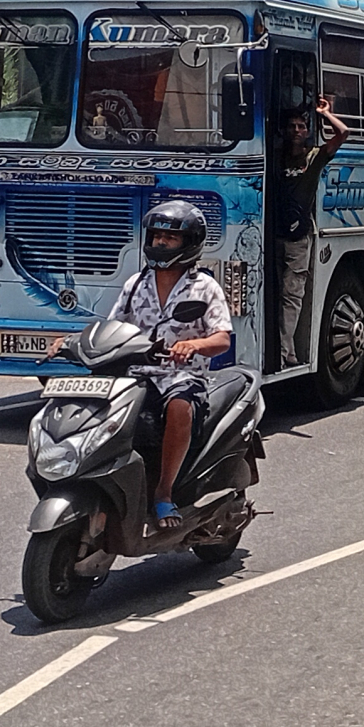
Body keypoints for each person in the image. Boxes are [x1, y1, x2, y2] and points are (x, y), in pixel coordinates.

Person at [110, 196, 233, 523]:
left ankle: (163, 493)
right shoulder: (135, 285)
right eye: (157, 236)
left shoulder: (205, 287)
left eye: (170, 237)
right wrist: (69, 342)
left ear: (189, 243)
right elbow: (112, 328)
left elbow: (222, 339)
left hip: (182, 376)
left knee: (180, 406)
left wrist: (192, 345)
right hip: (138, 373)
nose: (161, 243)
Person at [271, 94, 348, 369]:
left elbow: (343, 133)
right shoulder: (275, 157)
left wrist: (325, 114)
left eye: (301, 127)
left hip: (298, 237)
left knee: (292, 295)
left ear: (307, 131)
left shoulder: (314, 157)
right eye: (291, 127)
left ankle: (285, 352)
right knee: (275, 294)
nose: (296, 131)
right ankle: (285, 351)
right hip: (273, 234)